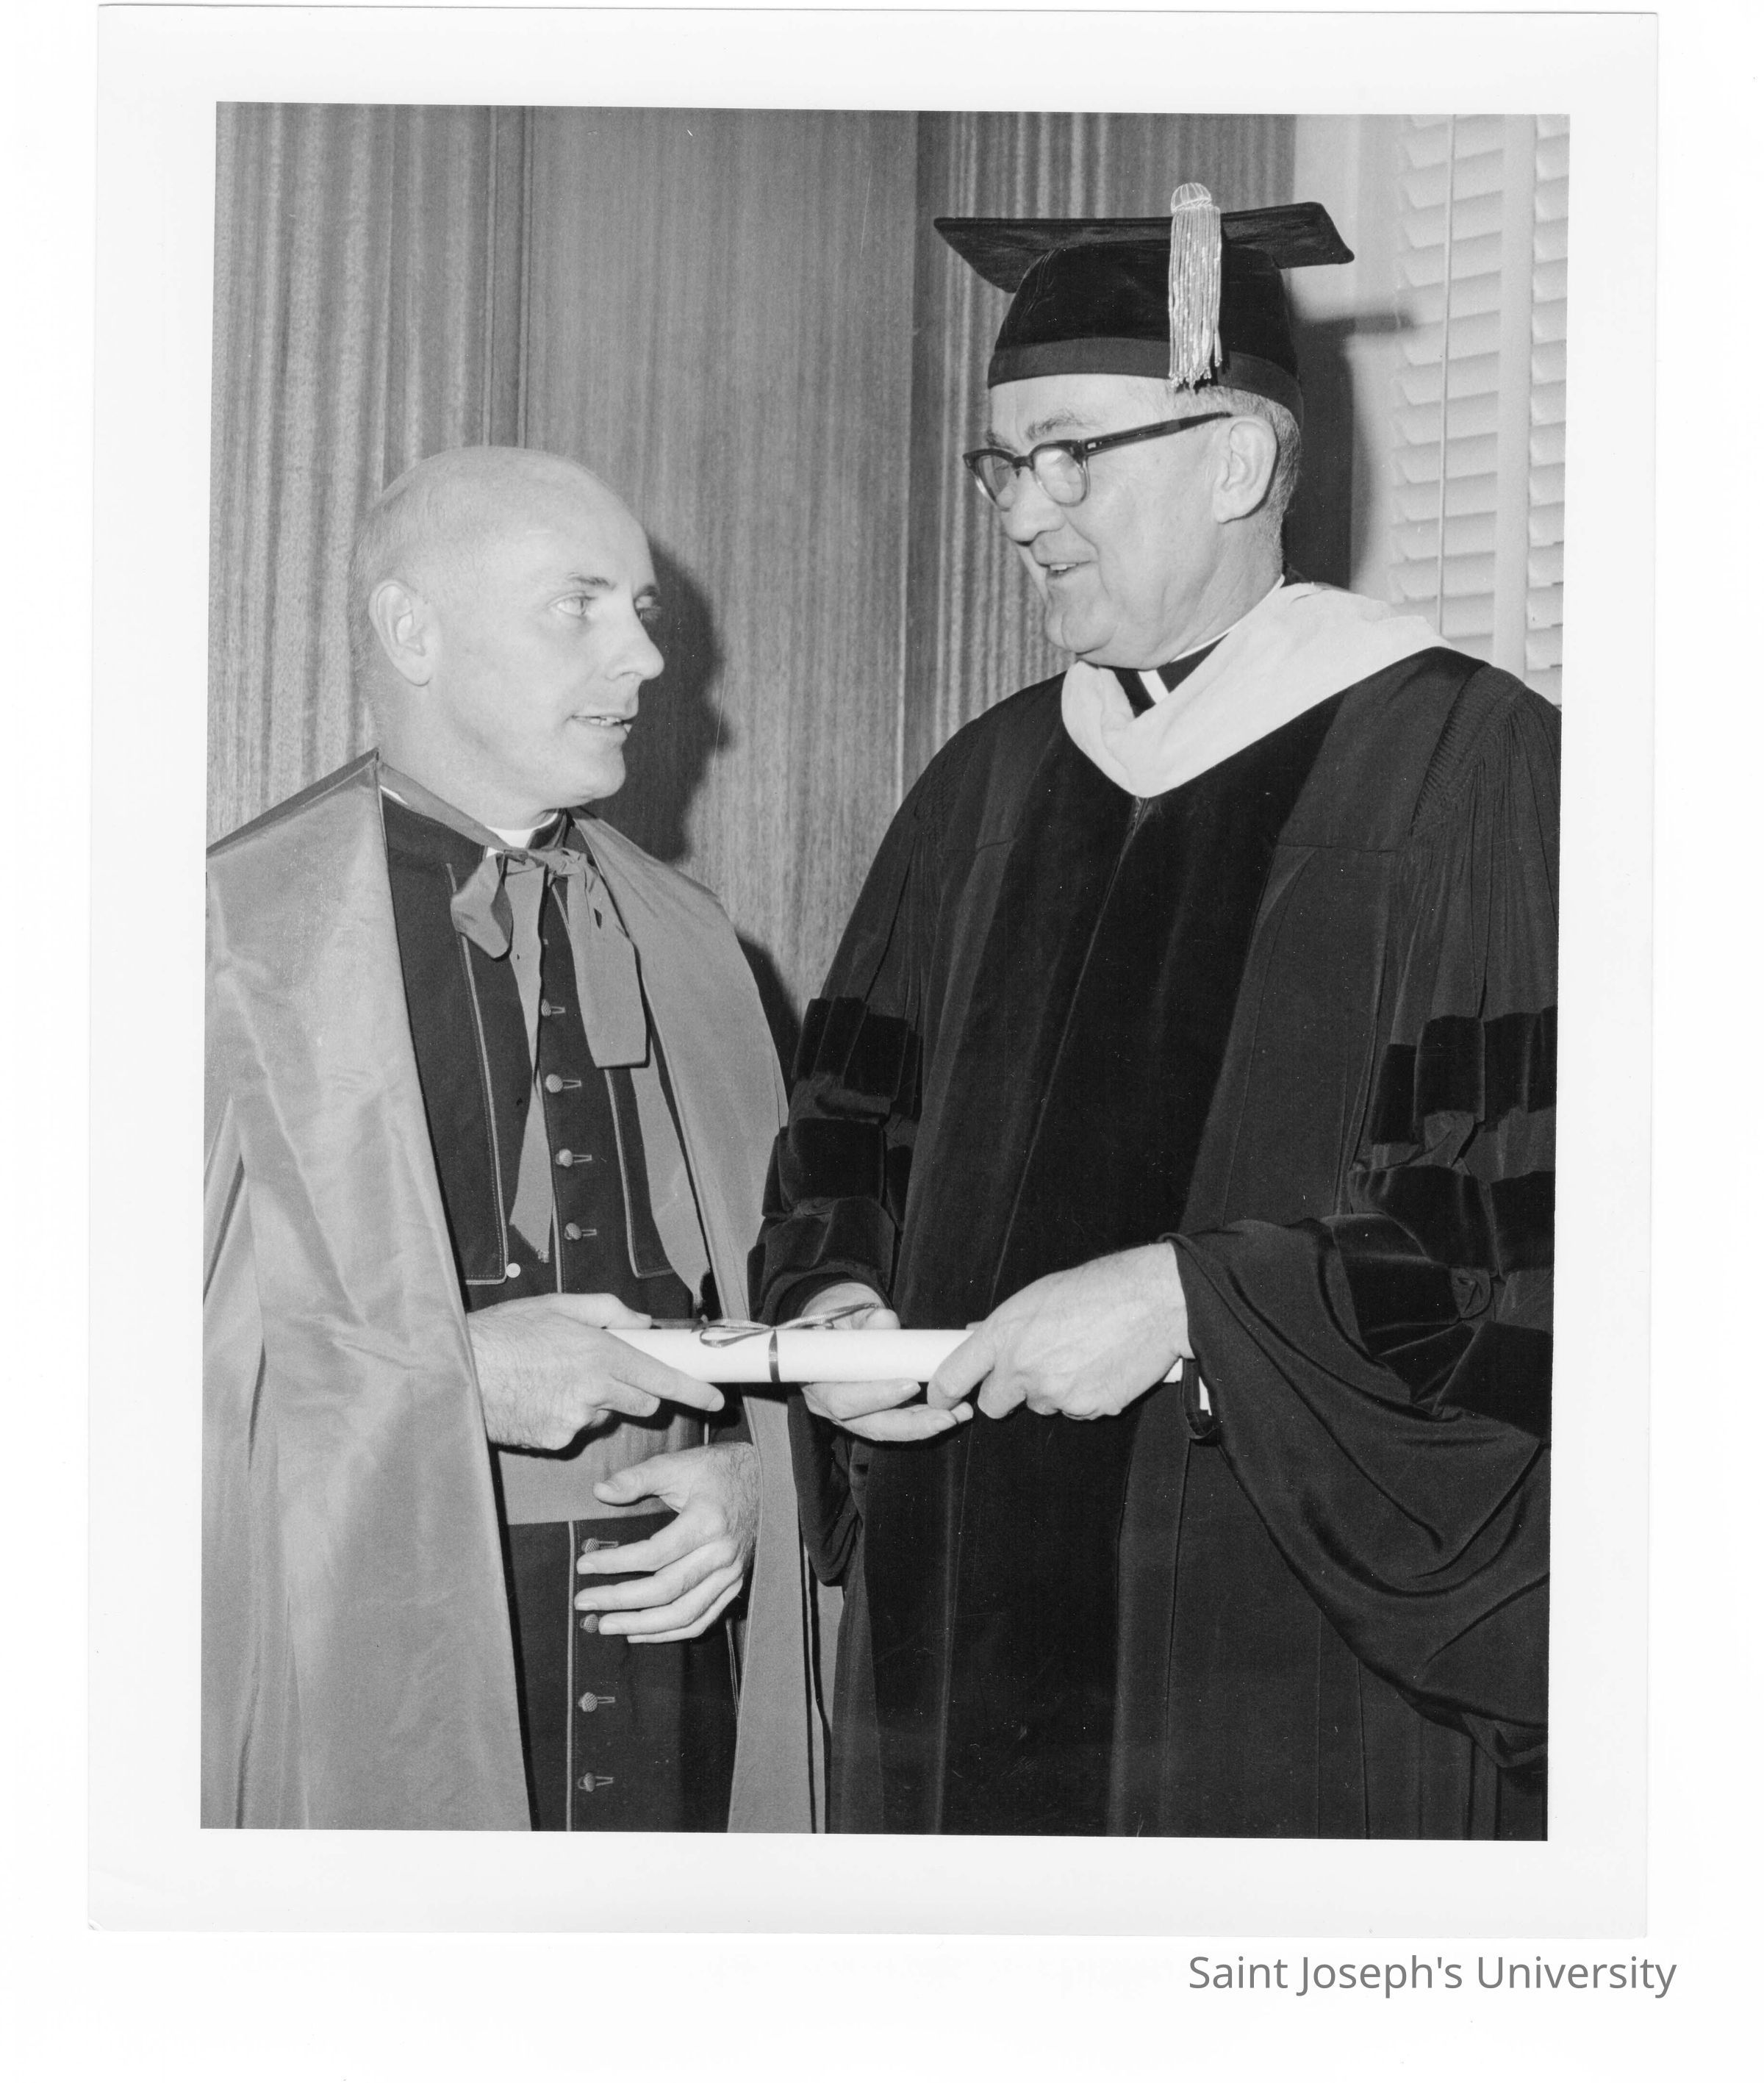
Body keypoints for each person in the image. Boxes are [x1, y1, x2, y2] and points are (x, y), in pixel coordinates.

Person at [752, 187, 1555, 1838]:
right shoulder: (980, 788)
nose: (1022, 513)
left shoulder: (1469, 770)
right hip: (956, 1619)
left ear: (1238, 462)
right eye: (1002, 465)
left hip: (1274, 1647)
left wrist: (1196, 1303)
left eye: (1070, 456)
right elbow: (847, 1133)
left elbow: (1524, 1244)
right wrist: (834, 1303)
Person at [205, 445, 819, 1830]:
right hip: (372, 1656)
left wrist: (753, 1480)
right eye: (578, 605)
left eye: (641, 613)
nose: (644, 660)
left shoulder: (695, 944)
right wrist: (452, 1378)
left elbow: (777, 1306)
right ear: (413, 632)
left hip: (681, 1654)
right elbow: (110, 1389)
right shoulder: (235, 936)